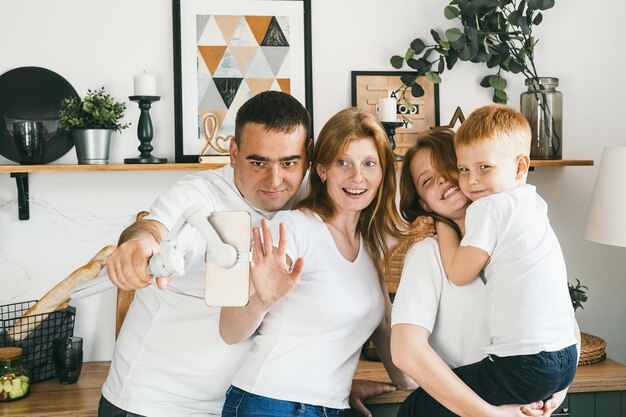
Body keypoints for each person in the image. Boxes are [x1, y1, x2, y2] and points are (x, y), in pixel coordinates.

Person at [99, 92, 396, 417]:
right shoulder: (201, 195)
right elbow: (155, 228)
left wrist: (329, 387)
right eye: (258, 162)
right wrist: (139, 244)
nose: (275, 180)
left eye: (288, 163)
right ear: (233, 153)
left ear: (309, 158)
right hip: (152, 403)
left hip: (233, 401)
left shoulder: (310, 200)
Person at [219, 107, 431, 417]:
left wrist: (420, 389)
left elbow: (385, 328)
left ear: (382, 172)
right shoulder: (293, 228)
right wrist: (260, 301)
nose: (357, 177)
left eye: (369, 164)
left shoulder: (369, 242)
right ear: (322, 170)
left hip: (331, 407)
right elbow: (229, 331)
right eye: (342, 163)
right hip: (269, 403)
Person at [391, 120, 577, 416]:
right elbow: (406, 351)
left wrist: (555, 394)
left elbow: (564, 325)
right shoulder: (427, 254)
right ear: (423, 204)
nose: (442, 180)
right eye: (427, 180)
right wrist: (491, 415)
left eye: (450, 166)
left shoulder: (519, 236)